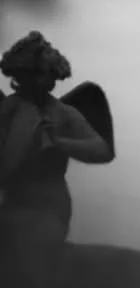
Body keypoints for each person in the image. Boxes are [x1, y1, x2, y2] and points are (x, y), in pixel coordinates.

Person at [0, 31, 114, 260]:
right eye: (42, 74)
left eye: (50, 75)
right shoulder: (9, 109)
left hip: (49, 207)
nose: (49, 81)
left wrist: (59, 142)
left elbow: (101, 150)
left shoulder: (63, 113)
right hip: (14, 202)